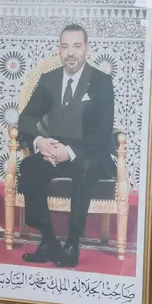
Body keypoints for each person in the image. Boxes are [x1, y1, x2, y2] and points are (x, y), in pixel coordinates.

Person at [17, 23, 115, 268]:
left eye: (77, 46)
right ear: (59, 50)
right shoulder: (49, 79)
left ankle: (72, 243)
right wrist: (40, 143)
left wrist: (69, 152)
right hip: (54, 152)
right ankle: (49, 240)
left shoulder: (101, 82)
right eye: (65, 46)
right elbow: (26, 117)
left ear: (87, 49)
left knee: (85, 167)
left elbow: (103, 133)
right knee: (29, 166)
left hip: (89, 154)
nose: (71, 52)